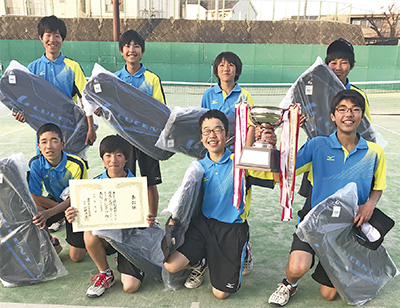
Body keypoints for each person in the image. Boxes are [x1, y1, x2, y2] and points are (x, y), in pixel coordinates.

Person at [268, 89, 386, 306]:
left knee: (329, 294)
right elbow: (283, 171)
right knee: (297, 267)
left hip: (347, 227)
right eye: (342, 110)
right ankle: (288, 284)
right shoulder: (317, 145)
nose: (348, 114)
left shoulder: (374, 152)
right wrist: (272, 144)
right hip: (315, 222)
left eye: (354, 110)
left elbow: (377, 187)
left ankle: (343, 266)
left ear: (361, 115)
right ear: (333, 116)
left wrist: (370, 203)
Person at [164, 109, 277, 299]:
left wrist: (270, 147)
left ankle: (244, 249)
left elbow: (275, 177)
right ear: (201, 137)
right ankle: (200, 262)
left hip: (231, 230)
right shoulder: (198, 167)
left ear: (227, 135)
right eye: (207, 131)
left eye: (218, 130)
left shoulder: (240, 161)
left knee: (221, 293)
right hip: (203, 225)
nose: (212, 135)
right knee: (171, 264)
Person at [186, 52, 256, 289]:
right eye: (222, 65)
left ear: (237, 70)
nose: (226, 68)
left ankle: (243, 247)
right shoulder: (209, 94)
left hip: (237, 162)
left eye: (231, 65)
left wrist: (244, 158)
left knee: (238, 207)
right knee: (208, 205)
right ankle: (203, 256)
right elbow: (204, 123)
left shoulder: (245, 96)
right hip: (213, 158)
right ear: (216, 70)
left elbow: (250, 127)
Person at [65, 135, 156, 298]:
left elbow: (141, 221)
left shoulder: (135, 184)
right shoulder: (93, 185)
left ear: (126, 158)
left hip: (129, 240)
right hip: (107, 239)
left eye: (119, 155)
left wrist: (148, 220)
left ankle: (126, 260)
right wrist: (73, 215)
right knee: (89, 233)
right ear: (102, 158)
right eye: (108, 155)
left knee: (131, 286)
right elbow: (83, 216)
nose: (113, 160)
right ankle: (105, 273)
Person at [101, 29, 165, 225]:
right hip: (122, 141)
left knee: (149, 182)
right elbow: (107, 107)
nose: (132, 50)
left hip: (147, 140)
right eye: (127, 46)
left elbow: (161, 111)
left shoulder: (152, 79)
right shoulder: (113, 79)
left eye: (136, 46)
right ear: (121, 51)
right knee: (124, 181)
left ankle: (151, 220)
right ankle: (126, 219)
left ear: (142, 51)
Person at [12, 15, 96, 147]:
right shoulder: (32, 68)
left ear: (63, 39)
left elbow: (85, 99)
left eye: (57, 35)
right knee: (44, 166)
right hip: (42, 131)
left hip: (68, 129)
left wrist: (90, 128)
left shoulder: (73, 67)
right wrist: (21, 114)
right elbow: (24, 100)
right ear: (41, 38)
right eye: (48, 35)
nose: (52, 40)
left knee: (69, 165)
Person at [28, 123, 87, 261]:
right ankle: (50, 241)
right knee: (34, 211)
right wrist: (57, 211)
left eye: (54, 140)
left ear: (63, 144)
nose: (49, 146)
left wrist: (49, 213)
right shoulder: (35, 164)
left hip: (75, 205)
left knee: (76, 257)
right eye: (44, 142)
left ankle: (86, 234)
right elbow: (35, 197)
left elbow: (77, 198)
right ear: (39, 146)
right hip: (55, 201)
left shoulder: (77, 164)